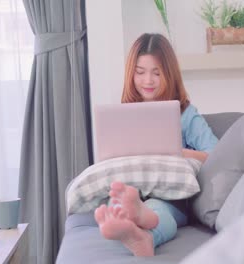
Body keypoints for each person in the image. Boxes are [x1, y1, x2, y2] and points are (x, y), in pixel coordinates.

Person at [94, 33, 218, 257]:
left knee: (160, 211)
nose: (148, 81)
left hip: (171, 196)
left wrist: (178, 153)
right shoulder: (122, 114)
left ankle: (144, 232)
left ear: (169, 74)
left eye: (157, 73)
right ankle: (130, 219)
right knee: (118, 199)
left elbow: (216, 152)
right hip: (135, 188)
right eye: (140, 72)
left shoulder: (185, 113)